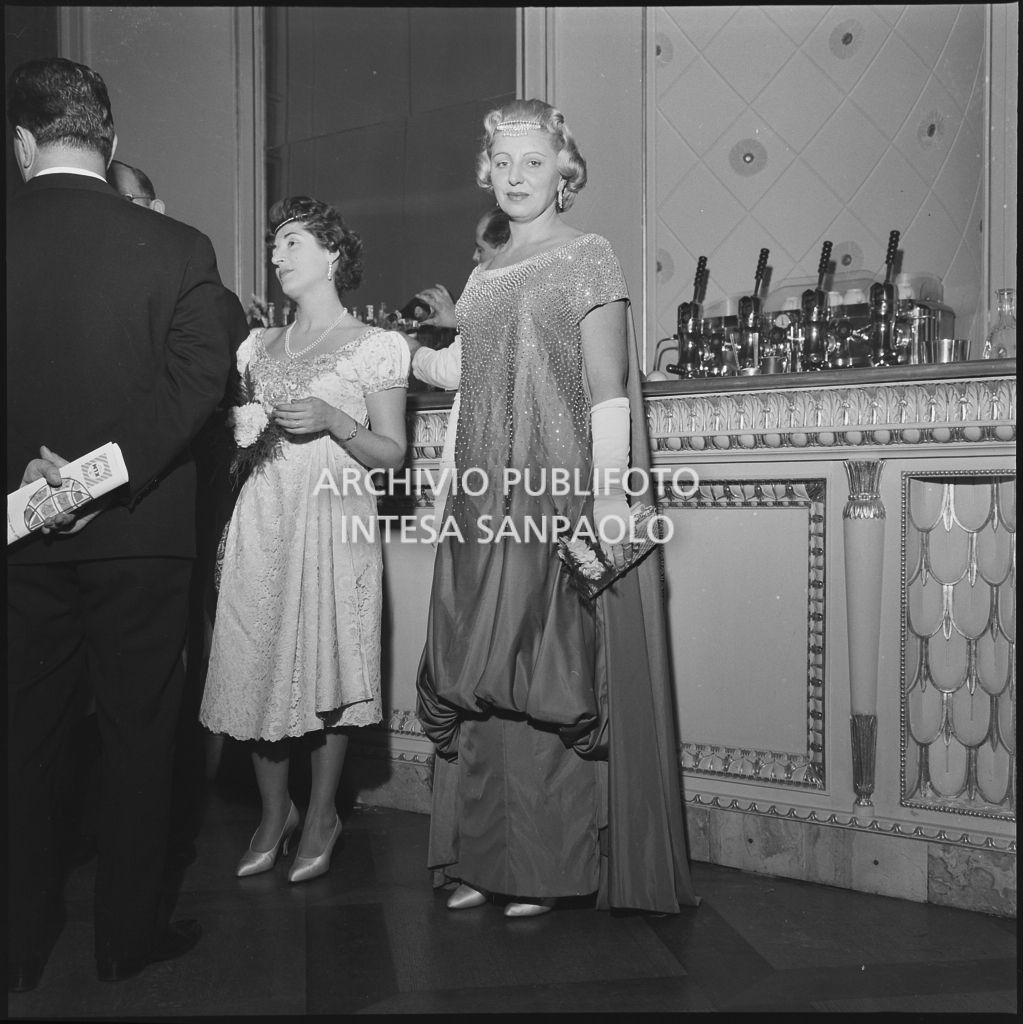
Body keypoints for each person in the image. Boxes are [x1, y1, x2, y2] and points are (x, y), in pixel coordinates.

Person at [416, 98, 699, 918]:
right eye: (501, 162)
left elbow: (608, 386)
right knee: (478, 668)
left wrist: (607, 499)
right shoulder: (486, 268)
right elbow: (466, 371)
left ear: (563, 172)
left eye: (532, 162)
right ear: (485, 171)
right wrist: (389, 351)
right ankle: (479, 859)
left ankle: (540, 869)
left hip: (551, 488)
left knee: (545, 674)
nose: (514, 176)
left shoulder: (589, 255)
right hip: (479, 496)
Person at [7, 57, 234, 991]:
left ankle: (16, 946)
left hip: (16, 534)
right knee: (142, 738)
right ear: (111, 144)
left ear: (20, 144)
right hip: (139, 532)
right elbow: (194, 390)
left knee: (21, 740)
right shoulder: (179, 249)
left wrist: (38, 492)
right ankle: (126, 938)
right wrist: (93, 479)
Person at [199, 196, 410, 884]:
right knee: (258, 663)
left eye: (292, 243)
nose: (277, 256)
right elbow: (243, 442)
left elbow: (392, 453)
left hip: (332, 520)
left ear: (333, 256)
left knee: (329, 666)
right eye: (274, 245)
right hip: (263, 518)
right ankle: (272, 814)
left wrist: (332, 420)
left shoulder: (376, 346)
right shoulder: (255, 347)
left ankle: (320, 815)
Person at [405, 206, 511, 521]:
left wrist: (412, 351)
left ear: (504, 248)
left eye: (481, 248)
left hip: (487, 439)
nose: (474, 257)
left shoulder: (491, 285)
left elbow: (453, 371)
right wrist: (457, 320)